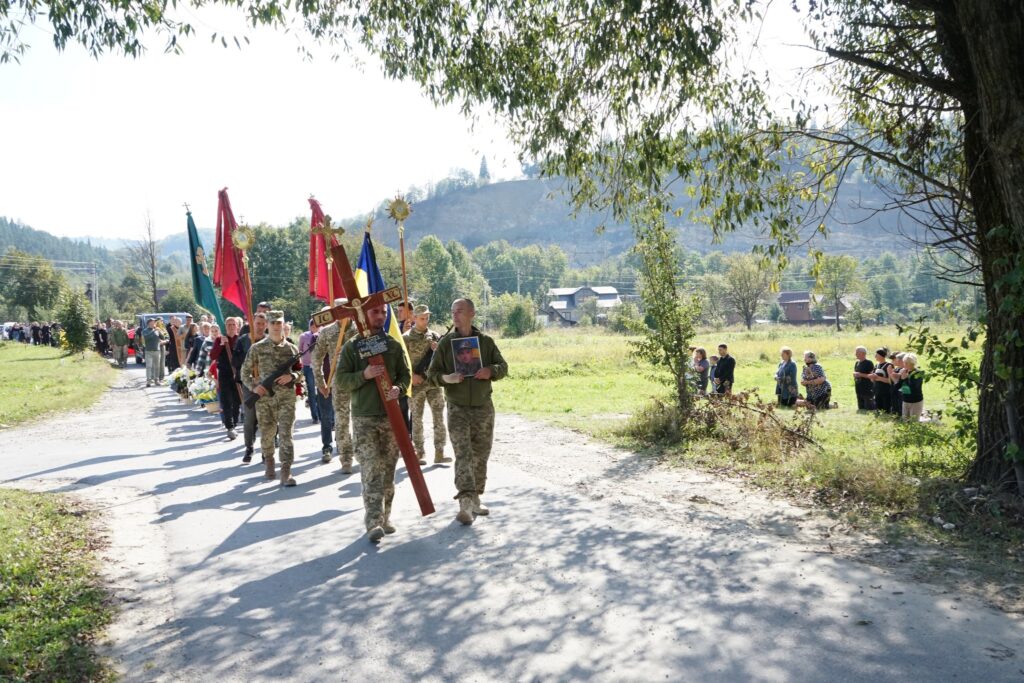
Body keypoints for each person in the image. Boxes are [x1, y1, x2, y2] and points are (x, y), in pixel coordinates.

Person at [427, 298, 508, 526]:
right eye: (453, 311)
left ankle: (475, 497)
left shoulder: (485, 342)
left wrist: (490, 371)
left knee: (481, 454)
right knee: (463, 453)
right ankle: (464, 502)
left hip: (483, 407)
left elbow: (504, 367)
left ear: (471, 313)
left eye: (460, 310)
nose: (455, 314)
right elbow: (431, 375)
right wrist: (447, 378)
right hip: (457, 407)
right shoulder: (445, 344)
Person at [337, 302, 411, 542]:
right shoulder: (352, 347)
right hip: (365, 418)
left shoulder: (392, 345)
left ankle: (385, 517)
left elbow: (405, 375)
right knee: (371, 469)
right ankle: (372, 522)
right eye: (374, 312)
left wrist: (398, 389)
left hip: (391, 417)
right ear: (363, 315)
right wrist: (364, 375)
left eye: (383, 312)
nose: (379, 316)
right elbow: (342, 380)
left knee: (389, 469)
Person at [240, 311, 302, 486]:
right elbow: (244, 372)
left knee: (286, 434)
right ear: (267, 325)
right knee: (267, 433)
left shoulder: (292, 349)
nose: (276, 326)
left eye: (279, 322)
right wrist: (254, 387)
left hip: (286, 399)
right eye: (273, 322)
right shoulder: (257, 348)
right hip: (265, 399)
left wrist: (293, 377)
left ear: (283, 325)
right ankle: (269, 462)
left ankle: (286, 470)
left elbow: (301, 371)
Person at [312, 299, 359, 471]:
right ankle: (346, 458)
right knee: (341, 420)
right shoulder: (327, 332)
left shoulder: (360, 329)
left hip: (361, 381)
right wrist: (321, 383)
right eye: (339, 311)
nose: (343, 313)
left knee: (362, 418)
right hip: (339, 383)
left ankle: (362, 453)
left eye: (346, 309)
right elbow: (316, 359)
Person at [404, 304, 451, 465]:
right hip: (416, 385)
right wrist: (410, 378)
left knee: (438, 417)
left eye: (427, 317)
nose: (425, 320)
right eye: (422, 318)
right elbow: (400, 363)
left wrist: (438, 351)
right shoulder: (406, 337)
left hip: (433, 383)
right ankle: (419, 452)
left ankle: (440, 451)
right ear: (414, 318)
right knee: (417, 419)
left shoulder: (435, 336)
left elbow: (442, 361)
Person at [234, 312, 268, 463]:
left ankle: (266, 449)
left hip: (266, 384)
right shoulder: (242, 340)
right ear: (252, 323)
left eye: (262, 323)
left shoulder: (269, 341)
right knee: (249, 417)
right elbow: (235, 361)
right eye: (257, 323)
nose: (260, 326)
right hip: (249, 383)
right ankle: (249, 447)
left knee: (265, 417)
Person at [209, 317, 242, 441]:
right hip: (224, 373)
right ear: (225, 326)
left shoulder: (240, 339)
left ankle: (235, 421)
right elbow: (213, 355)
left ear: (237, 326)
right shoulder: (219, 339)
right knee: (226, 400)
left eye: (233, 324)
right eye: (229, 324)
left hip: (238, 373)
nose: (231, 326)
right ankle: (230, 426)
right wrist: (221, 345)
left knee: (237, 400)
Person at [299, 320, 320, 424]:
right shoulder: (303, 336)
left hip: (319, 366)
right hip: (308, 366)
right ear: (310, 327)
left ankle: (321, 414)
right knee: (311, 391)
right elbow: (300, 351)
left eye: (317, 326)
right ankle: (314, 416)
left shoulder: (322, 335)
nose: (315, 328)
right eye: (313, 326)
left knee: (321, 390)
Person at [897, 353, 925, 420]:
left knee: (914, 423)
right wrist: (901, 378)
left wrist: (905, 378)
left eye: (907, 363)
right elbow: (898, 386)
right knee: (905, 421)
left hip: (915, 401)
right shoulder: (904, 371)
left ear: (913, 363)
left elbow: (914, 387)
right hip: (905, 400)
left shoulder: (918, 373)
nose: (904, 365)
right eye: (904, 362)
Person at [141, 319, 166, 387]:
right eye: (152, 322)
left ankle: (156, 380)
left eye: (154, 322)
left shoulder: (157, 330)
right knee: (149, 366)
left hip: (157, 350)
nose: (154, 323)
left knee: (157, 366)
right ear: (149, 323)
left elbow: (163, 338)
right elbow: (147, 337)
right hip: (148, 351)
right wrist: (154, 331)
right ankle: (148, 381)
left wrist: (160, 331)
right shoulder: (145, 331)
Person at [868, 348, 893, 414]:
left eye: (876, 355)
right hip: (877, 390)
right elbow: (873, 378)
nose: (875, 356)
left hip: (886, 391)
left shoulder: (889, 365)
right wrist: (872, 377)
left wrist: (878, 378)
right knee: (878, 409)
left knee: (886, 410)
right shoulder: (876, 365)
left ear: (881, 356)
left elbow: (891, 381)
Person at [852, 346, 876, 411]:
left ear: (863, 353)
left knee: (869, 408)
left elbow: (872, 375)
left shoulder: (869, 363)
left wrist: (860, 375)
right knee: (861, 407)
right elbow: (856, 372)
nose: (855, 354)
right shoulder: (857, 363)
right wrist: (855, 374)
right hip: (858, 387)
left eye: (857, 352)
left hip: (867, 388)